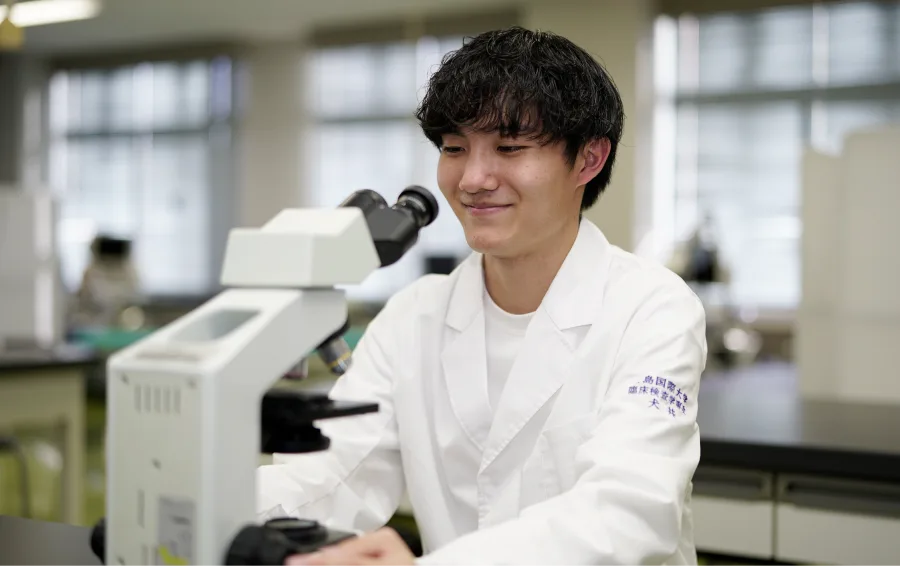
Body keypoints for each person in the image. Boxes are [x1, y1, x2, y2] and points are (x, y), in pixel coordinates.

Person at [259, 26, 708, 566]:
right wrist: (209, 512)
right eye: (454, 148)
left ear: (588, 160)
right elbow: (331, 476)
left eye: (509, 148)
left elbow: (628, 514)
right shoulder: (414, 316)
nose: (472, 179)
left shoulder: (651, 308)